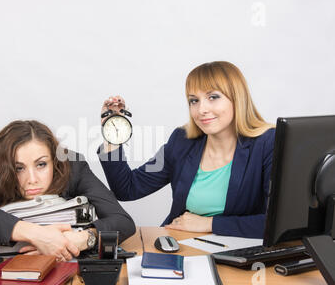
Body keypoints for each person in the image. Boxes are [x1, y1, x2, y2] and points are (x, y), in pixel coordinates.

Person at [97, 61, 275, 238]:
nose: (201, 109)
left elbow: (276, 223)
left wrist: (210, 224)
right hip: (181, 244)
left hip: (238, 252)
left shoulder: (267, 143)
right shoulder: (182, 141)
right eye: (194, 101)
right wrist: (113, 134)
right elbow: (127, 188)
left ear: (237, 98)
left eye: (213, 97)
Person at [0, 120, 136, 261]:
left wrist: (81, 239)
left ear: (54, 161)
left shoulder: (71, 166)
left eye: (41, 164)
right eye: (19, 168)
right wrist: (37, 234)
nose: (32, 179)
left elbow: (123, 221)